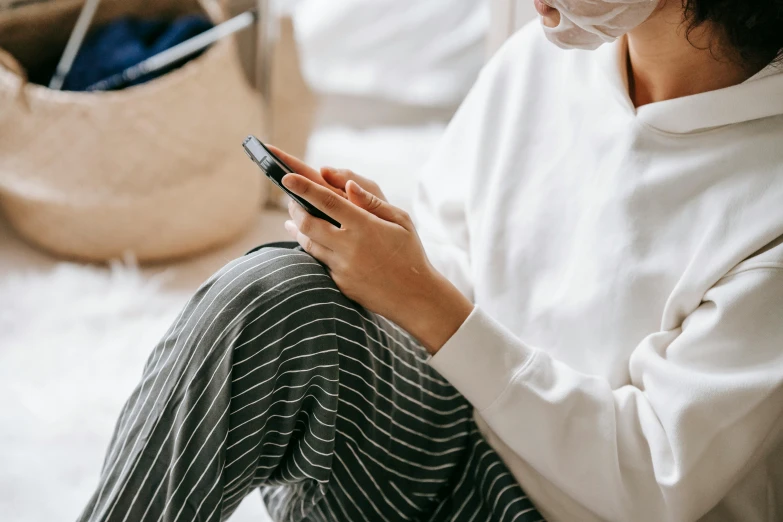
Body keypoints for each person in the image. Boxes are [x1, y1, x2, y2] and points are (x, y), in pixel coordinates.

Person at [78, 0, 783, 520]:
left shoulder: (767, 200)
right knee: (273, 296)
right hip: (452, 441)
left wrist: (426, 303)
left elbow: (652, 483)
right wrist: (394, 257)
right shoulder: (544, 56)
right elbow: (456, 264)